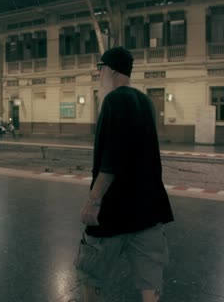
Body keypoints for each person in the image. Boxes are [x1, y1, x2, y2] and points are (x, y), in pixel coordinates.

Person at [74, 46, 174, 302]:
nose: (98, 76)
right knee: (150, 279)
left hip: (113, 211)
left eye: (100, 70)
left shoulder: (113, 100)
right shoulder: (146, 102)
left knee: (90, 271)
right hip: (149, 210)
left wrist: (93, 201)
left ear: (110, 70)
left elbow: (112, 158)